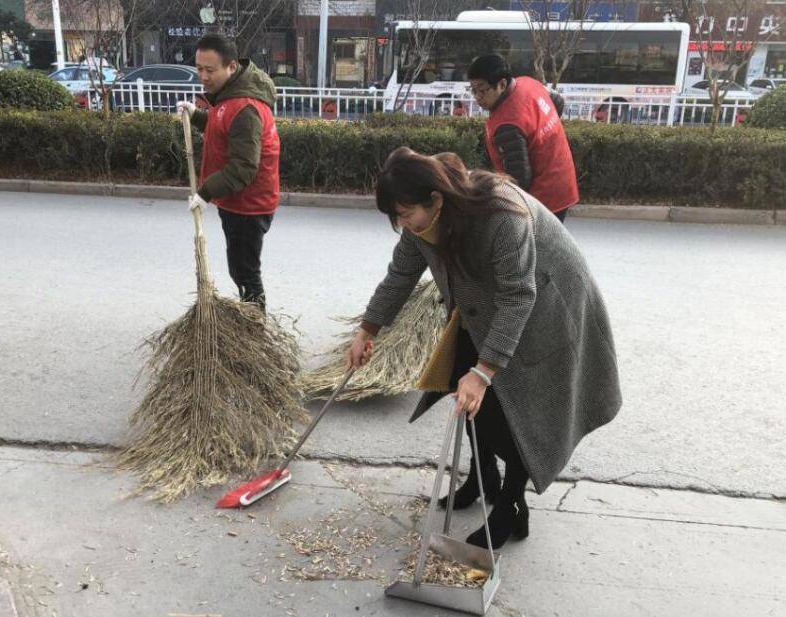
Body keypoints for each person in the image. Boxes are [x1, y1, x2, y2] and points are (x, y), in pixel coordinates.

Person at [347, 148, 621, 549]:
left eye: (405, 214)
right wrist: (366, 330)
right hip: (483, 303)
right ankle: (482, 479)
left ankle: (511, 508)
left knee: (515, 413)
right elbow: (400, 275)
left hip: (546, 302)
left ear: (435, 200)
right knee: (468, 397)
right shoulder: (422, 221)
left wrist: (485, 370)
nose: (402, 224)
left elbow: (517, 297)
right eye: (396, 217)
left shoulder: (502, 214)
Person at [177, 34, 280, 311]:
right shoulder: (228, 96)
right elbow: (223, 127)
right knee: (241, 268)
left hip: (248, 206)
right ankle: (251, 318)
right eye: (199, 68)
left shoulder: (245, 107)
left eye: (210, 70)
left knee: (245, 272)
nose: (203, 76)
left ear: (231, 67)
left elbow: (244, 167)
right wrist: (197, 115)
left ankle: (255, 327)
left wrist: (205, 192)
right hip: (237, 201)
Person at [467, 54, 577, 224]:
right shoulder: (529, 83)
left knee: (534, 248)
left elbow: (517, 178)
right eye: (473, 90)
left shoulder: (507, 123)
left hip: (543, 198)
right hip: (563, 179)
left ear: (502, 84)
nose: (477, 97)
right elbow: (558, 102)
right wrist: (543, 133)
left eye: (482, 90)